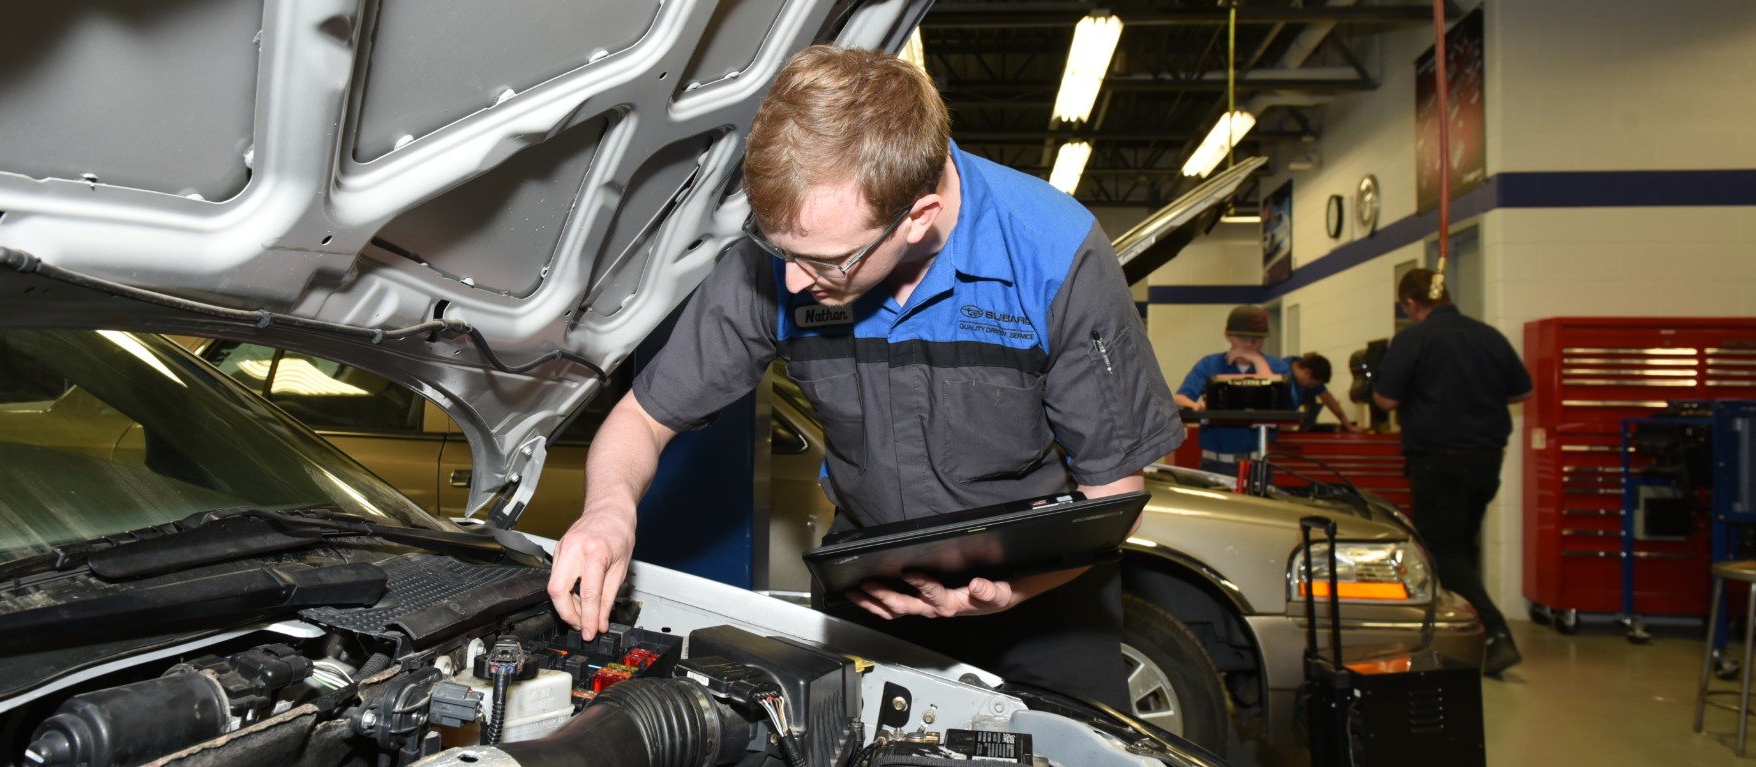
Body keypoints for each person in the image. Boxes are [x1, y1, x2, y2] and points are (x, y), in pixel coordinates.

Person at [545, 45, 1182, 712]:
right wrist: (607, 510)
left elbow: (1113, 493)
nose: (792, 280)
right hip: (871, 592)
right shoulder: (785, 260)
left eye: (826, 259)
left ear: (917, 217)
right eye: (779, 250)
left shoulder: (1055, 254)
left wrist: (1012, 590)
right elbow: (643, 417)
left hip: (1045, 604)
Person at [1373, 268, 1533, 678]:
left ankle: (1496, 633)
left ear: (1411, 304)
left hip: (1437, 460)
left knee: (1443, 550)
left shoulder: (1414, 339)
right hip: (1486, 458)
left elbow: (1385, 399)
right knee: (1464, 545)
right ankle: (1470, 632)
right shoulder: (1488, 336)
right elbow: (1522, 390)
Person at [1172, 305, 1292, 475]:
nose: (1249, 344)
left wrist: (1258, 361)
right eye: (1243, 338)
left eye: (1257, 339)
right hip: (1215, 463)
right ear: (1228, 335)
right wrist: (1198, 408)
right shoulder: (1210, 364)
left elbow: (1283, 402)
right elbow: (1179, 397)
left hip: (1257, 462)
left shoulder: (1277, 367)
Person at [1288, 352, 1360, 432]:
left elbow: (1330, 401)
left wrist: (1348, 425)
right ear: (1307, 373)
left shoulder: (1310, 378)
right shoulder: (1278, 370)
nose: (1311, 387)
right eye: (1312, 384)